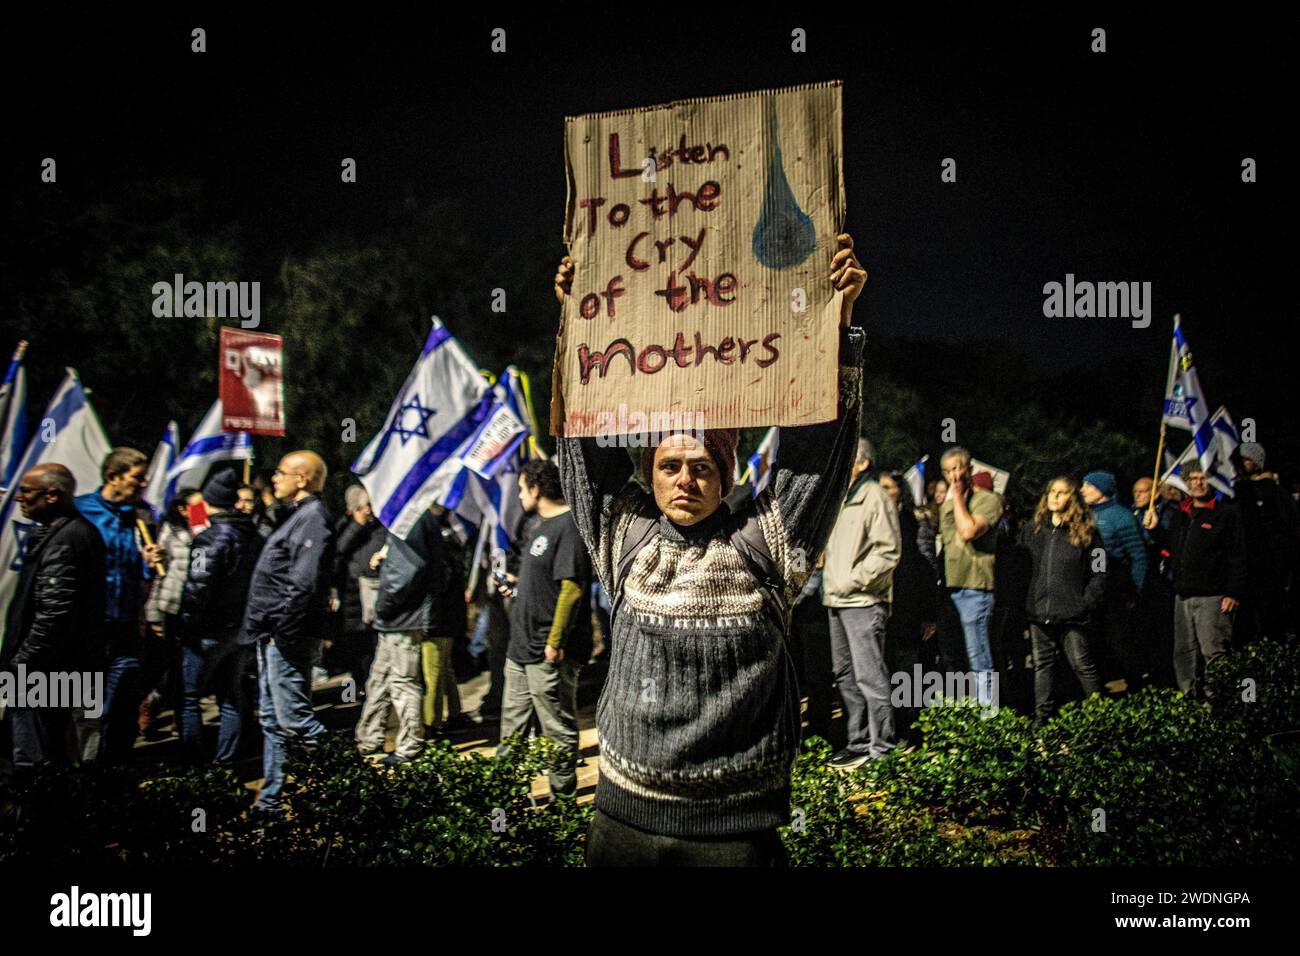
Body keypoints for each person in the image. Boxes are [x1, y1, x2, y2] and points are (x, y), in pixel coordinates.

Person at [555, 233, 867, 866]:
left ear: (726, 475)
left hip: (734, 832)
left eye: (703, 466)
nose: (685, 479)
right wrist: (572, 322)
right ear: (650, 469)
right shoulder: (625, 535)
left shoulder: (766, 541)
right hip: (623, 819)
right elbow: (581, 449)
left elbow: (820, 453)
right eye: (670, 464)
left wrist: (840, 321)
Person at [241, 451, 335, 813]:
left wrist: (284, 632)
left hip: (286, 636)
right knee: (273, 720)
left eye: (280, 473)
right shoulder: (296, 517)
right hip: (273, 634)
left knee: (295, 719)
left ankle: (352, 786)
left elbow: (304, 583)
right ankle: (271, 800)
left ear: (303, 479)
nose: (274, 479)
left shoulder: (311, 519)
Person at [495, 460, 593, 799]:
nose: (520, 494)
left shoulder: (569, 527)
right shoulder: (539, 526)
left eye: (522, 488)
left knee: (557, 729)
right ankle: (504, 802)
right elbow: (543, 582)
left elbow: (572, 588)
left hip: (546, 651)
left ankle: (561, 803)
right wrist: (517, 584)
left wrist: (555, 641)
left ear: (536, 489)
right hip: (520, 649)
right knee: (512, 729)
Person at [0, 464, 106, 769]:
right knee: (51, 748)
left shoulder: (66, 539)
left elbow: (55, 614)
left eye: (26, 492)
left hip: (48, 669)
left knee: (34, 757)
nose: (18, 497)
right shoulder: (66, 533)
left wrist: (21, 662)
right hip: (57, 665)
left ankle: (40, 813)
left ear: (52, 495)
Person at [75, 447, 163, 763]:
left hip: (127, 624)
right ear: (113, 476)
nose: (143, 485)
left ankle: (114, 776)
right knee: (89, 707)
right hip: (89, 628)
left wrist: (147, 564)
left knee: (124, 704)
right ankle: (84, 777)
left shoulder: (141, 515)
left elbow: (135, 570)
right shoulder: (81, 510)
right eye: (138, 479)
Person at [821, 440, 901, 767]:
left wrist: (852, 579)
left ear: (863, 464)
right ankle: (857, 742)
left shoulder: (875, 497)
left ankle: (883, 748)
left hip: (863, 601)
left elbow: (889, 551)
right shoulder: (840, 499)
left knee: (870, 676)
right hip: (836, 601)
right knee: (844, 675)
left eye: (846, 457)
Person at [179, 469, 263, 764]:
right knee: (231, 693)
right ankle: (227, 758)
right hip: (240, 629)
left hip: (209, 630)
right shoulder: (254, 536)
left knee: (189, 696)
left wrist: (187, 625)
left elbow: (197, 588)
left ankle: (194, 762)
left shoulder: (210, 539)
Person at [1144, 467, 1247, 701]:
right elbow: (1170, 547)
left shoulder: (1226, 514)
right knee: (1184, 652)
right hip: (1182, 596)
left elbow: (1238, 555)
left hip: (1213, 596)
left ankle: (1220, 700)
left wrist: (1233, 592)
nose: (1198, 483)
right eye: (1193, 479)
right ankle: (1189, 699)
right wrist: (1155, 528)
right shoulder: (1182, 515)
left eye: (1203, 479)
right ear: (1186, 483)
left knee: (1213, 651)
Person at [356, 506, 449, 765]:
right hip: (398, 617)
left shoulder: (410, 516)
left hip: (403, 616)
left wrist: (384, 603)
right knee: (381, 679)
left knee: (403, 682)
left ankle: (409, 747)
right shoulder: (411, 516)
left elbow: (407, 569)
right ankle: (369, 739)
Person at [1020, 477, 1107, 724]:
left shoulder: (1089, 532)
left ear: (1073, 497)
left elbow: (1100, 569)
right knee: (1042, 665)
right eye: (1052, 491)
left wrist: (1087, 601)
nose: (1055, 497)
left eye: (1062, 492)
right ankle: (1041, 717)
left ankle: (1101, 716)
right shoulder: (1034, 529)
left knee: (1081, 663)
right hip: (1038, 611)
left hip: (1072, 612)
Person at [937, 446, 1003, 706]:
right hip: (950, 588)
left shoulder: (988, 500)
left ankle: (989, 719)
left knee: (979, 658)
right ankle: (964, 714)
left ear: (969, 469)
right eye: (948, 470)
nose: (953, 475)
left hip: (975, 589)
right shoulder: (947, 505)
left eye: (958, 468)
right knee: (955, 658)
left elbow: (967, 531)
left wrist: (958, 498)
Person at [879, 470, 939, 744]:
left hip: (909, 606)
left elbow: (927, 571)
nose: (883, 492)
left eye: (888, 487)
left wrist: (929, 614)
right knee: (886, 668)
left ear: (900, 492)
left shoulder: (916, 523)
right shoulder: (876, 520)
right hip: (882, 605)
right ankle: (888, 729)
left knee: (908, 671)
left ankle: (911, 729)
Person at [139, 487, 201, 738]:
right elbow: (158, 576)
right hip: (171, 606)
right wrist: (153, 614)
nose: (202, 509)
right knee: (171, 665)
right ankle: (152, 703)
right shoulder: (169, 532)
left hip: (196, 609)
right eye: (197, 506)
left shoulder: (204, 530)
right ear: (183, 509)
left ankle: (181, 714)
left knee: (190, 667)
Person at [1081, 470, 1149, 691]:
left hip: (1116, 589)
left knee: (1121, 641)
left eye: (1089, 486)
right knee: (1094, 641)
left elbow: (1138, 556)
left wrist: (1135, 591)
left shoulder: (1121, 517)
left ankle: (1137, 686)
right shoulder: (1083, 515)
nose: (1083, 490)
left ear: (1102, 490)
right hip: (1092, 587)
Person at [1229, 442, 1299, 643]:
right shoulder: (1237, 492)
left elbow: (1289, 530)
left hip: (1269, 569)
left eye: (1246, 459)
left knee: (1271, 621)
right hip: (1244, 569)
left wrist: (1282, 565)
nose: (1241, 464)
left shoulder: (1274, 493)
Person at [330, 484, 385, 695]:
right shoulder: (345, 528)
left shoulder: (380, 529)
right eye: (363, 506)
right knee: (355, 650)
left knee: (372, 648)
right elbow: (335, 555)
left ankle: (373, 691)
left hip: (371, 598)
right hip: (350, 599)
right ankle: (354, 691)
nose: (368, 511)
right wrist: (356, 526)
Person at [420, 507, 468, 736]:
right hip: (450, 615)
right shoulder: (452, 540)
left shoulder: (438, 548)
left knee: (433, 671)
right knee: (444, 667)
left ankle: (432, 721)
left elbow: (439, 585)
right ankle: (455, 712)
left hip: (439, 616)